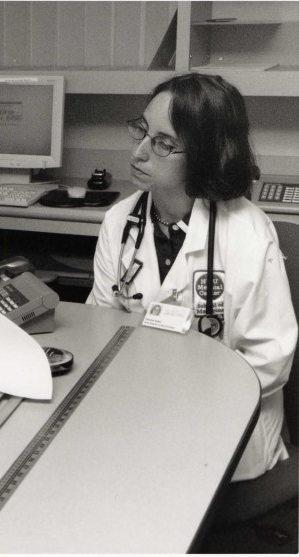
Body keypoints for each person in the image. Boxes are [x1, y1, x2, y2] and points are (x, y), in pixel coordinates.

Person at [87, 73, 297, 481]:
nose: (139, 152)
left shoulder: (248, 233)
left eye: (163, 143)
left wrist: (181, 400)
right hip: (137, 417)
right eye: (142, 132)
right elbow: (102, 326)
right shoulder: (119, 221)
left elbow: (270, 360)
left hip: (227, 432)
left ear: (204, 154)